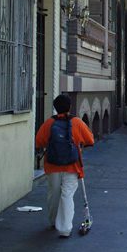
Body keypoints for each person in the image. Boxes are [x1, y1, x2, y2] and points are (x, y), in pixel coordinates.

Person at [35, 94, 94, 238]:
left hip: (52, 165)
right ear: (70, 107)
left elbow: (38, 142)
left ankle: (53, 221)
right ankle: (65, 228)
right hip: (72, 166)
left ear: (55, 108)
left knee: (54, 194)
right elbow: (90, 140)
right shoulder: (77, 122)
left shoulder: (49, 123)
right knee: (67, 195)